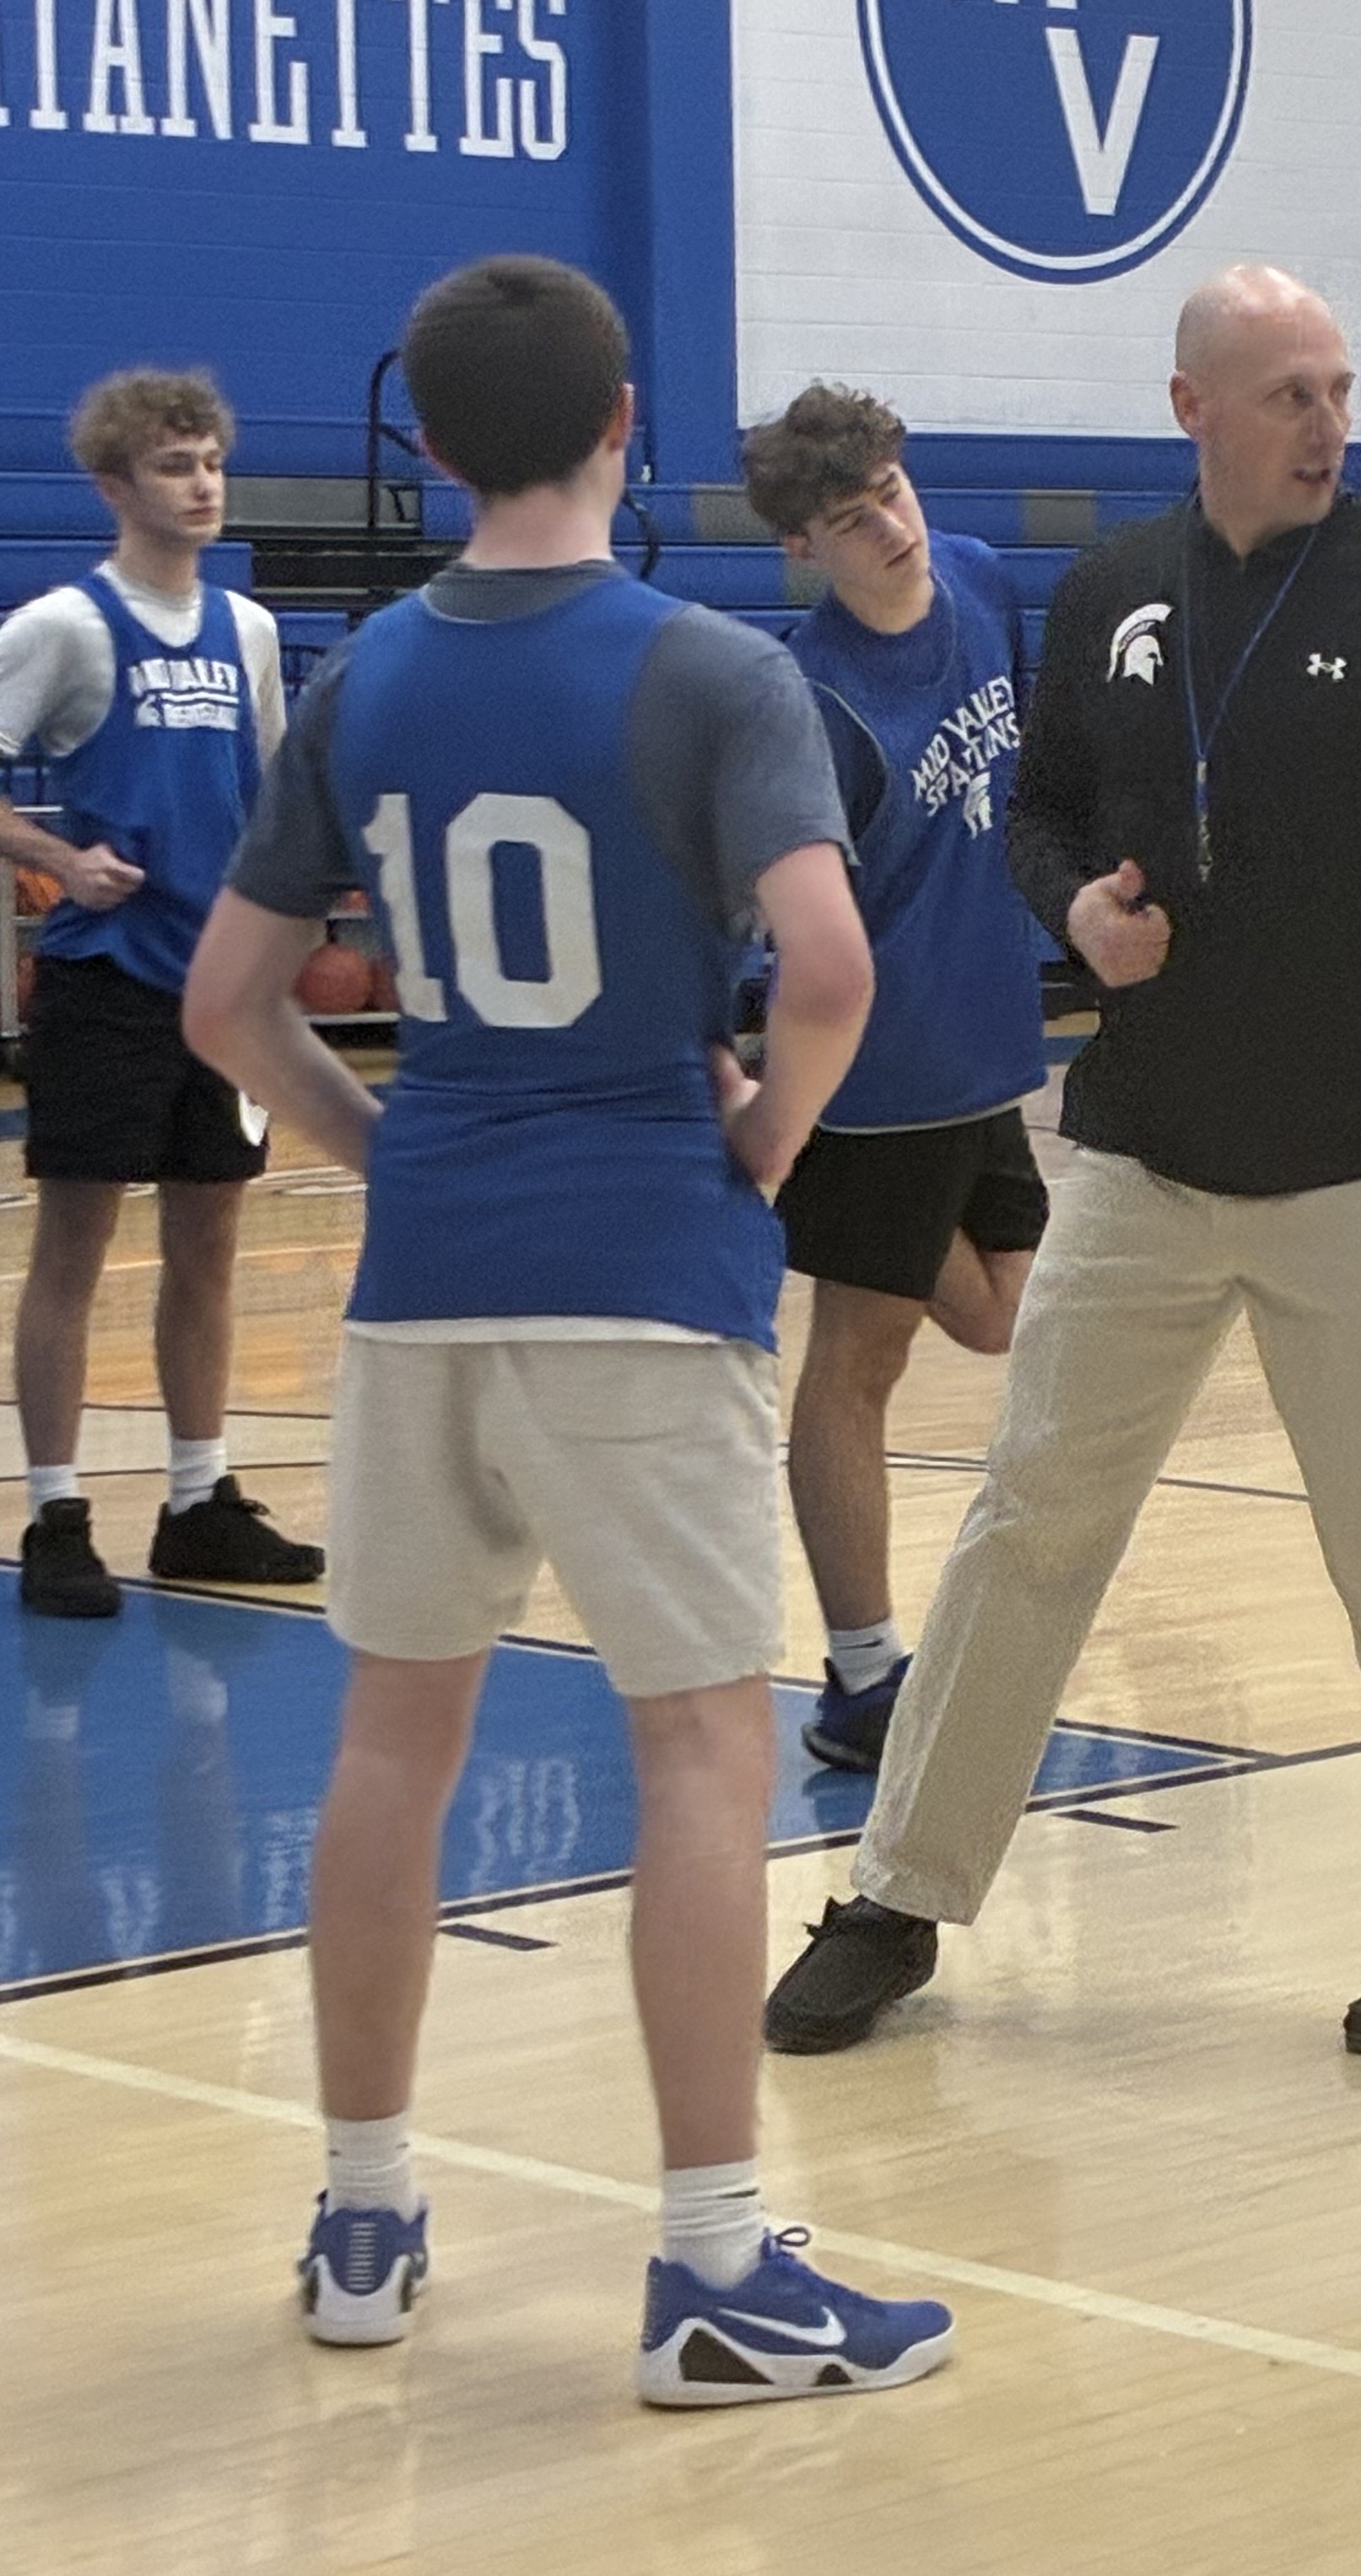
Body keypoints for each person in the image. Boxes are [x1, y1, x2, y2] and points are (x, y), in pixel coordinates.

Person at [183, 256, 952, 2408]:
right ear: (626, 416)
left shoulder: (360, 683)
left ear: (426, 445)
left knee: (389, 1747)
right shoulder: (711, 667)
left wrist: (380, 1144)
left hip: (426, 1286)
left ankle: (358, 2209)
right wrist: (766, 1149)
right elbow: (823, 965)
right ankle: (713, 2259)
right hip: (638, 1268)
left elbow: (226, 1005)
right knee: (702, 1742)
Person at [764, 266, 1361, 2065]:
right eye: (1287, 391)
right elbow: (1042, 805)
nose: (1326, 419)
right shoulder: (1107, 590)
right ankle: (898, 1888)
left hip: (1360, 1166)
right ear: (1190, 407)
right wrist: (1071, 903)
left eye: (1337, 385)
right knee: (1030, 1518)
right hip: (1143, 1158)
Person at [739, 386, 1048, 1772]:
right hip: (872, 1079)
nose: (890, 527)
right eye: (851, 518)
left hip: (984, 1044)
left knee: (997, 1317)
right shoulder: (804, 700)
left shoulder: (981, 581)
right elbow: (769, 909)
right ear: (805, 544)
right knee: (855, 1367)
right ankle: (860, 1673)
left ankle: (870, 1668)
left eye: (893, 491)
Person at [0, 368, 325, 1619]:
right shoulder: (64, 628)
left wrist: (285, 929)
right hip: (107, 986)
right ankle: (57, 1512)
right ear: (113, 486)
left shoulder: (245, 631)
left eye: (210, 463)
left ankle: (199, 1500)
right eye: (174, 467)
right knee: (74, 1251)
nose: (201, 485)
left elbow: (272, 796)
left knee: (211, 1246)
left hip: (223, 988)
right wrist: (56, 857)